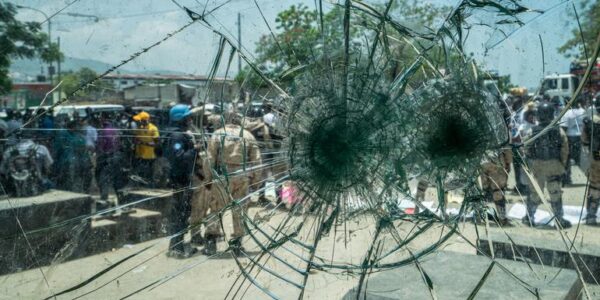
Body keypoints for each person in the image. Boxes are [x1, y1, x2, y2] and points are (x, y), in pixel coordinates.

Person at [203, 116, 262, 256]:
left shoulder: (218, 134)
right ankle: (237, 244)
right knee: (240, 210)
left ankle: (211, 242)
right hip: (242, 176)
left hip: (222, 176)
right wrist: (256, 182)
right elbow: (257, 161)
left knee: (216, 208)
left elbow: (209, 158)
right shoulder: (248, 135)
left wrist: (208, 179)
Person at [522, 101, 571, 228]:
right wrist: (562, 165)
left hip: (537, 165)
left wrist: (530, 162)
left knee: (534, 193)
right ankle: (559, 220)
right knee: (555, 193)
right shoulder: (559, 130)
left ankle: (529, 217)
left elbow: (526, 148)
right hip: (554, 165)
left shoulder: (532, 131)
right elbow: (564, 150)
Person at [165, 104, 199, 258]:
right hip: (179, 180)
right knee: (180, 214)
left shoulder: (179, 134)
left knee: (183, 213)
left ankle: (177, 245)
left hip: (182, 179)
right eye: (188, 117)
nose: (190, 120)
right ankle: (176, 247)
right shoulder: (177, 136)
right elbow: (179, 158)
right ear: (181, 119)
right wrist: (195, 149)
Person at [0, 130, 53, 197]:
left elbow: (2, 171)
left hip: (15, 189)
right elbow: (48, 166)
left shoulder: (8, 151)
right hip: (38, 186)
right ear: (33, 136)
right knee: (51, 184)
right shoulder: (42, 148)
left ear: (19, 137)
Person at [54, 120, 93, 193]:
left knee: (73, 183)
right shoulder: (66, 135)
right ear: (73, 127)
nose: (79, 128)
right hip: (69, 164)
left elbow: (83, 151)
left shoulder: (78, 137)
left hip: (75, 164)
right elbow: (58, 150)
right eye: (78, 126)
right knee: (72, 183)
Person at [95, 113, 126, 202]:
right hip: (116, 157)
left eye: (100, 118)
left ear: (104, 119)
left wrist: (99, 158)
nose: (99, 119)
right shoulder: (114, 130)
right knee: (116, 181)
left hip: (106, 158)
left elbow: (100, 147)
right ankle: (121, 201)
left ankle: (104, 201)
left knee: (103, 180)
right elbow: (119, 144)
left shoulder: (103, 131)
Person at [480, 148, 513, 226]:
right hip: (496, 162)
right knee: (498, 191)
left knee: (481, 190)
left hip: (481, 161)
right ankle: (502, 219)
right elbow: (507, 147)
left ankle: (479, 216)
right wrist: (508, 163)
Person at [581, 104, 600, 225]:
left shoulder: (591, 121)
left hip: (597, 156)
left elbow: (584, 139)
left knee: (595, 186)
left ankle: (591, 215)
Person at [560, 98, 585, 185]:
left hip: (570, 138)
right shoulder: (583, 111)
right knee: (581, 160)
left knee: (566, 160)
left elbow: (564, 127)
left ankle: (566, 179)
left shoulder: (567, 113)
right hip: (581, 138)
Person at [133, 111, 159, 184]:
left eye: (139, 120)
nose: (138, 122)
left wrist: (143, 143)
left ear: (145, 120)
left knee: (149, 172)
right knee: (140, 173)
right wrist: (135, 141)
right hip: (139, 154)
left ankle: (150, 184)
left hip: (149, 155)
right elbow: (136, 138)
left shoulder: (153, 128)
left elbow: (156, 143)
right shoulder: (140, 128)